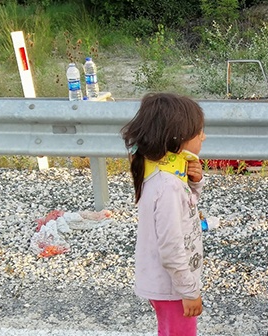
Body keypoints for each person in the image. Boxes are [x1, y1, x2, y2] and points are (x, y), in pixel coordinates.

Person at [121, 92, 207, 336]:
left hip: (170, 285)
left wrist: (195, 182)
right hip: (173, 288)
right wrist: (189, 291)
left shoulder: (161, 174)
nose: (203, 136)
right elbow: (171, 248)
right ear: (177, 137)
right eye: (198, 131)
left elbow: (185, 209)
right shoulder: (167, 186)